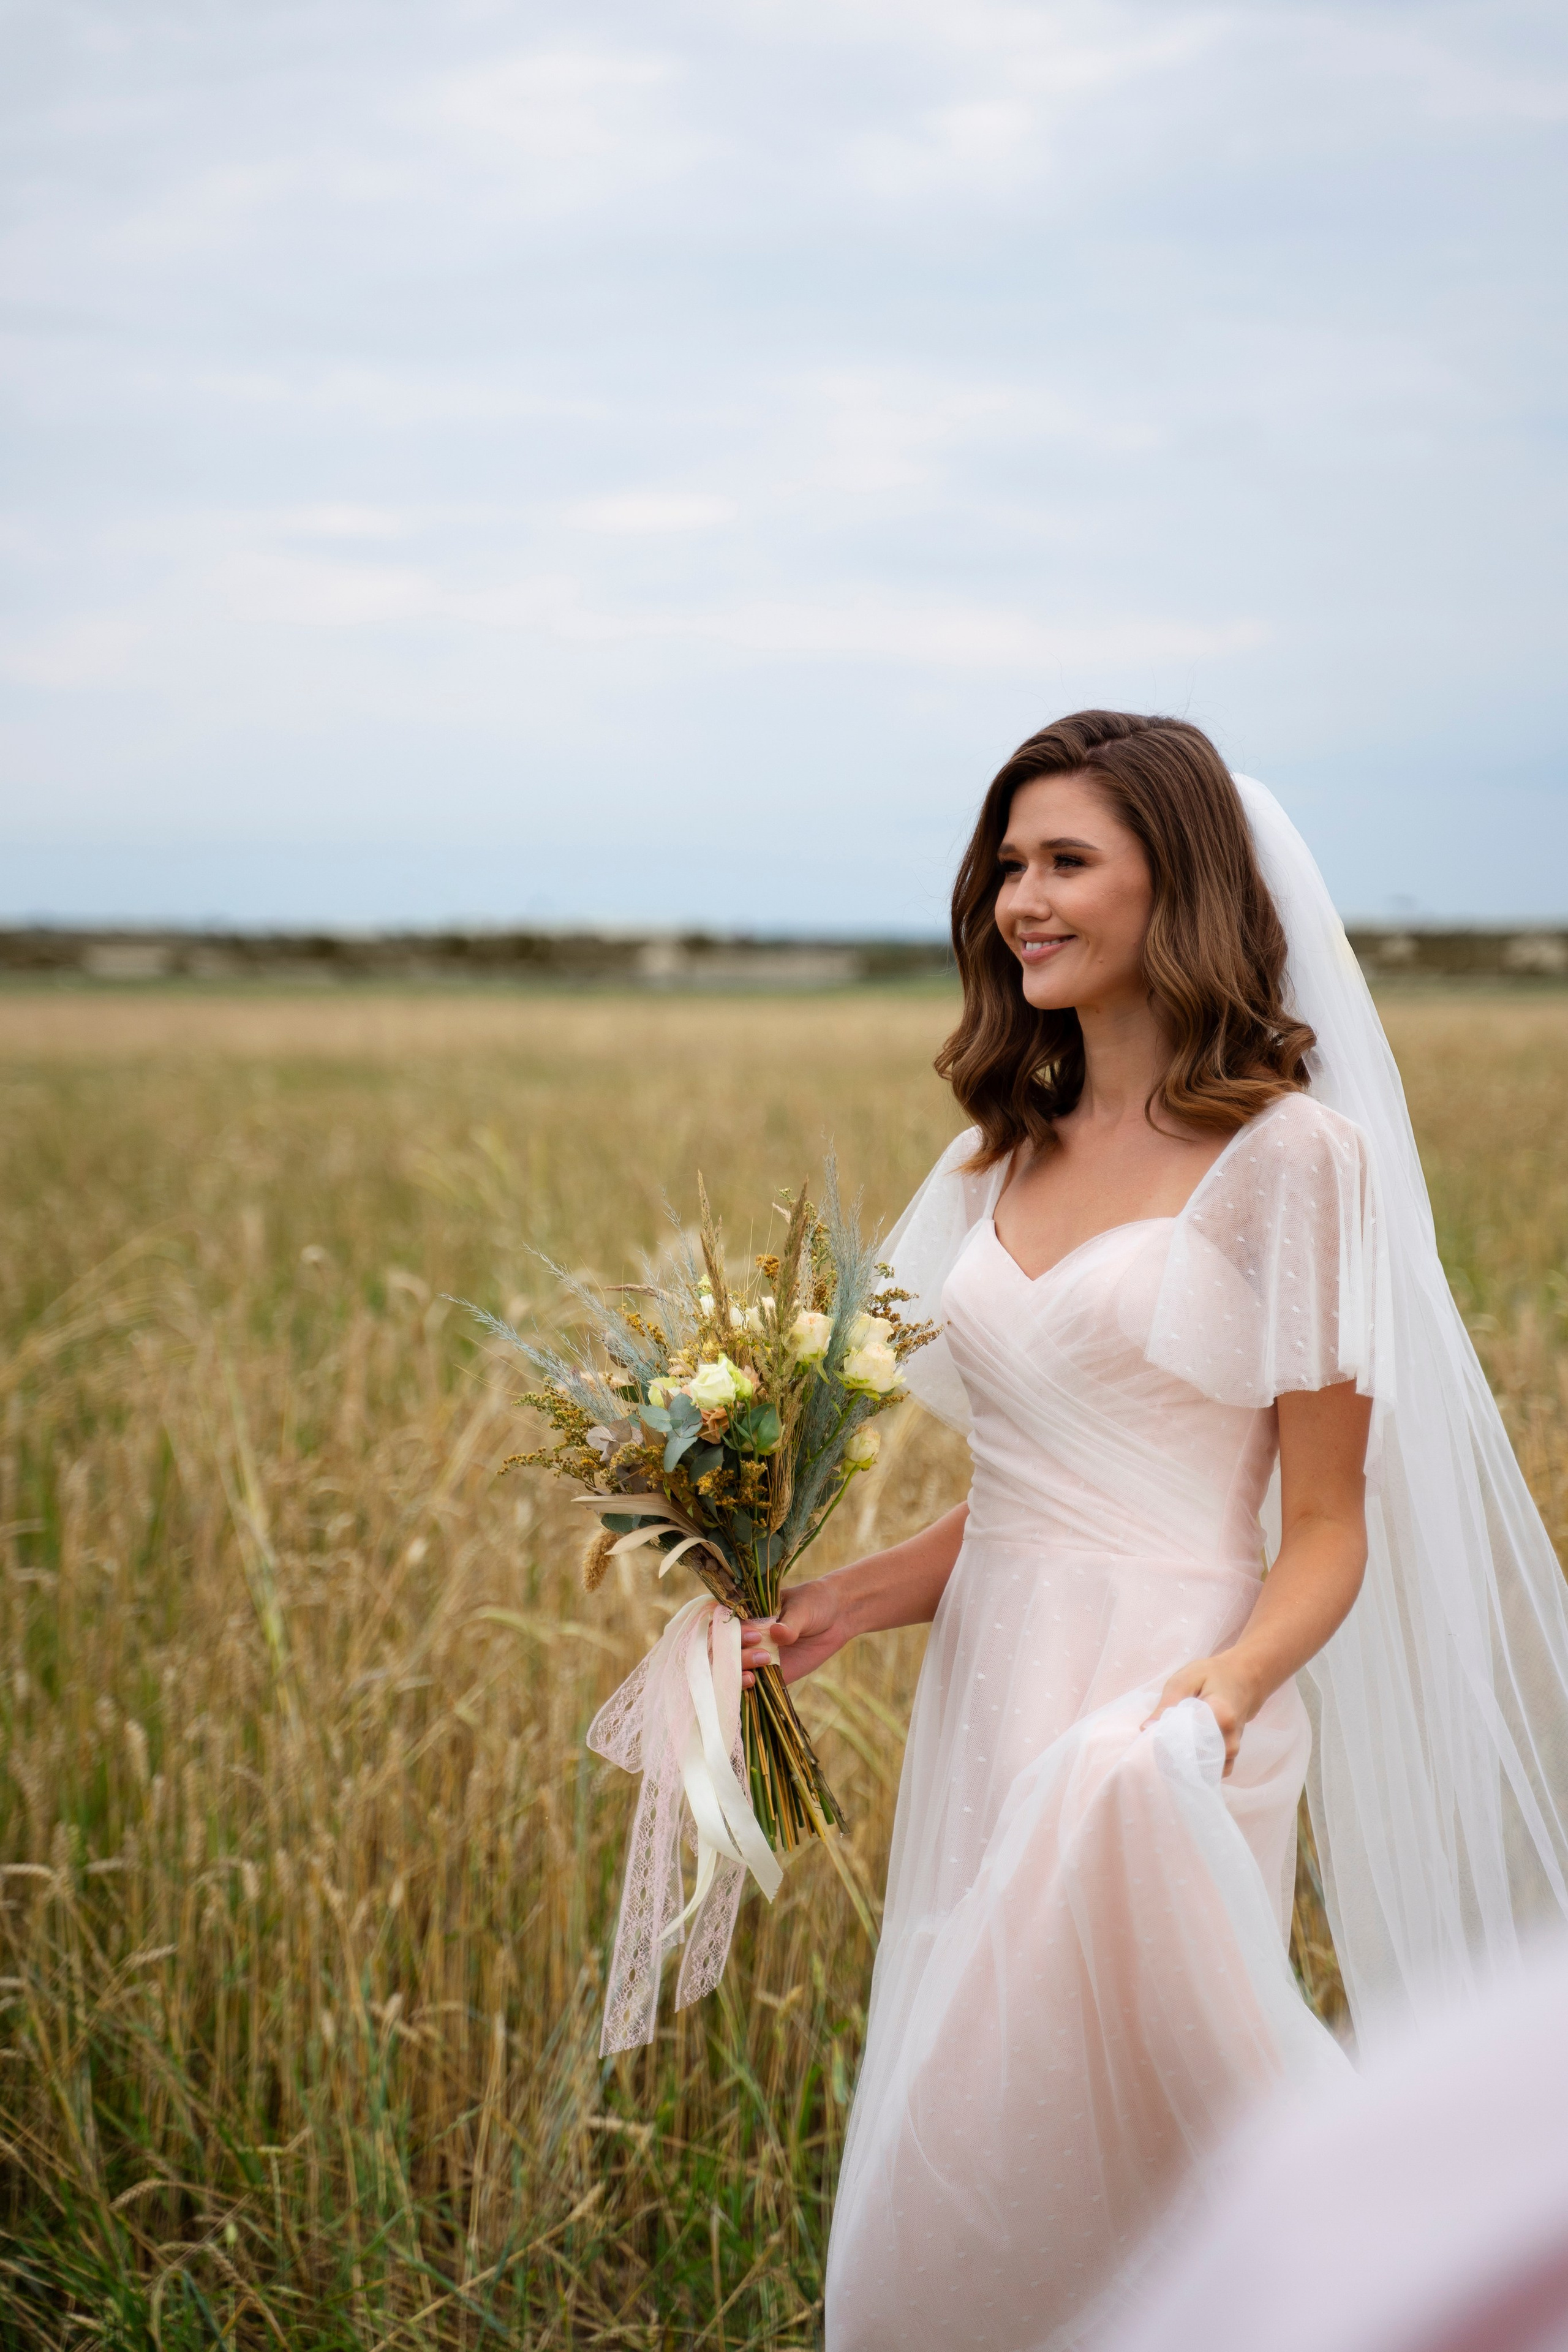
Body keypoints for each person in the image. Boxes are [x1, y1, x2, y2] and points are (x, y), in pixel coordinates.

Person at [737, 711, 1568, 2352]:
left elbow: (1325, 1526)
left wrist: (1227, 1690)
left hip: (1165, 1713)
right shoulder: (995, 1159)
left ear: (1173, 883)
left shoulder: (1292, 1162)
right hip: (991, 1689)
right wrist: (846, 1602)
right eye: (1005, 865)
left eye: (1064, 863)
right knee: (968, 2110)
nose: (1016, 900)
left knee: (1140, 2134)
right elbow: (1032, 1491)